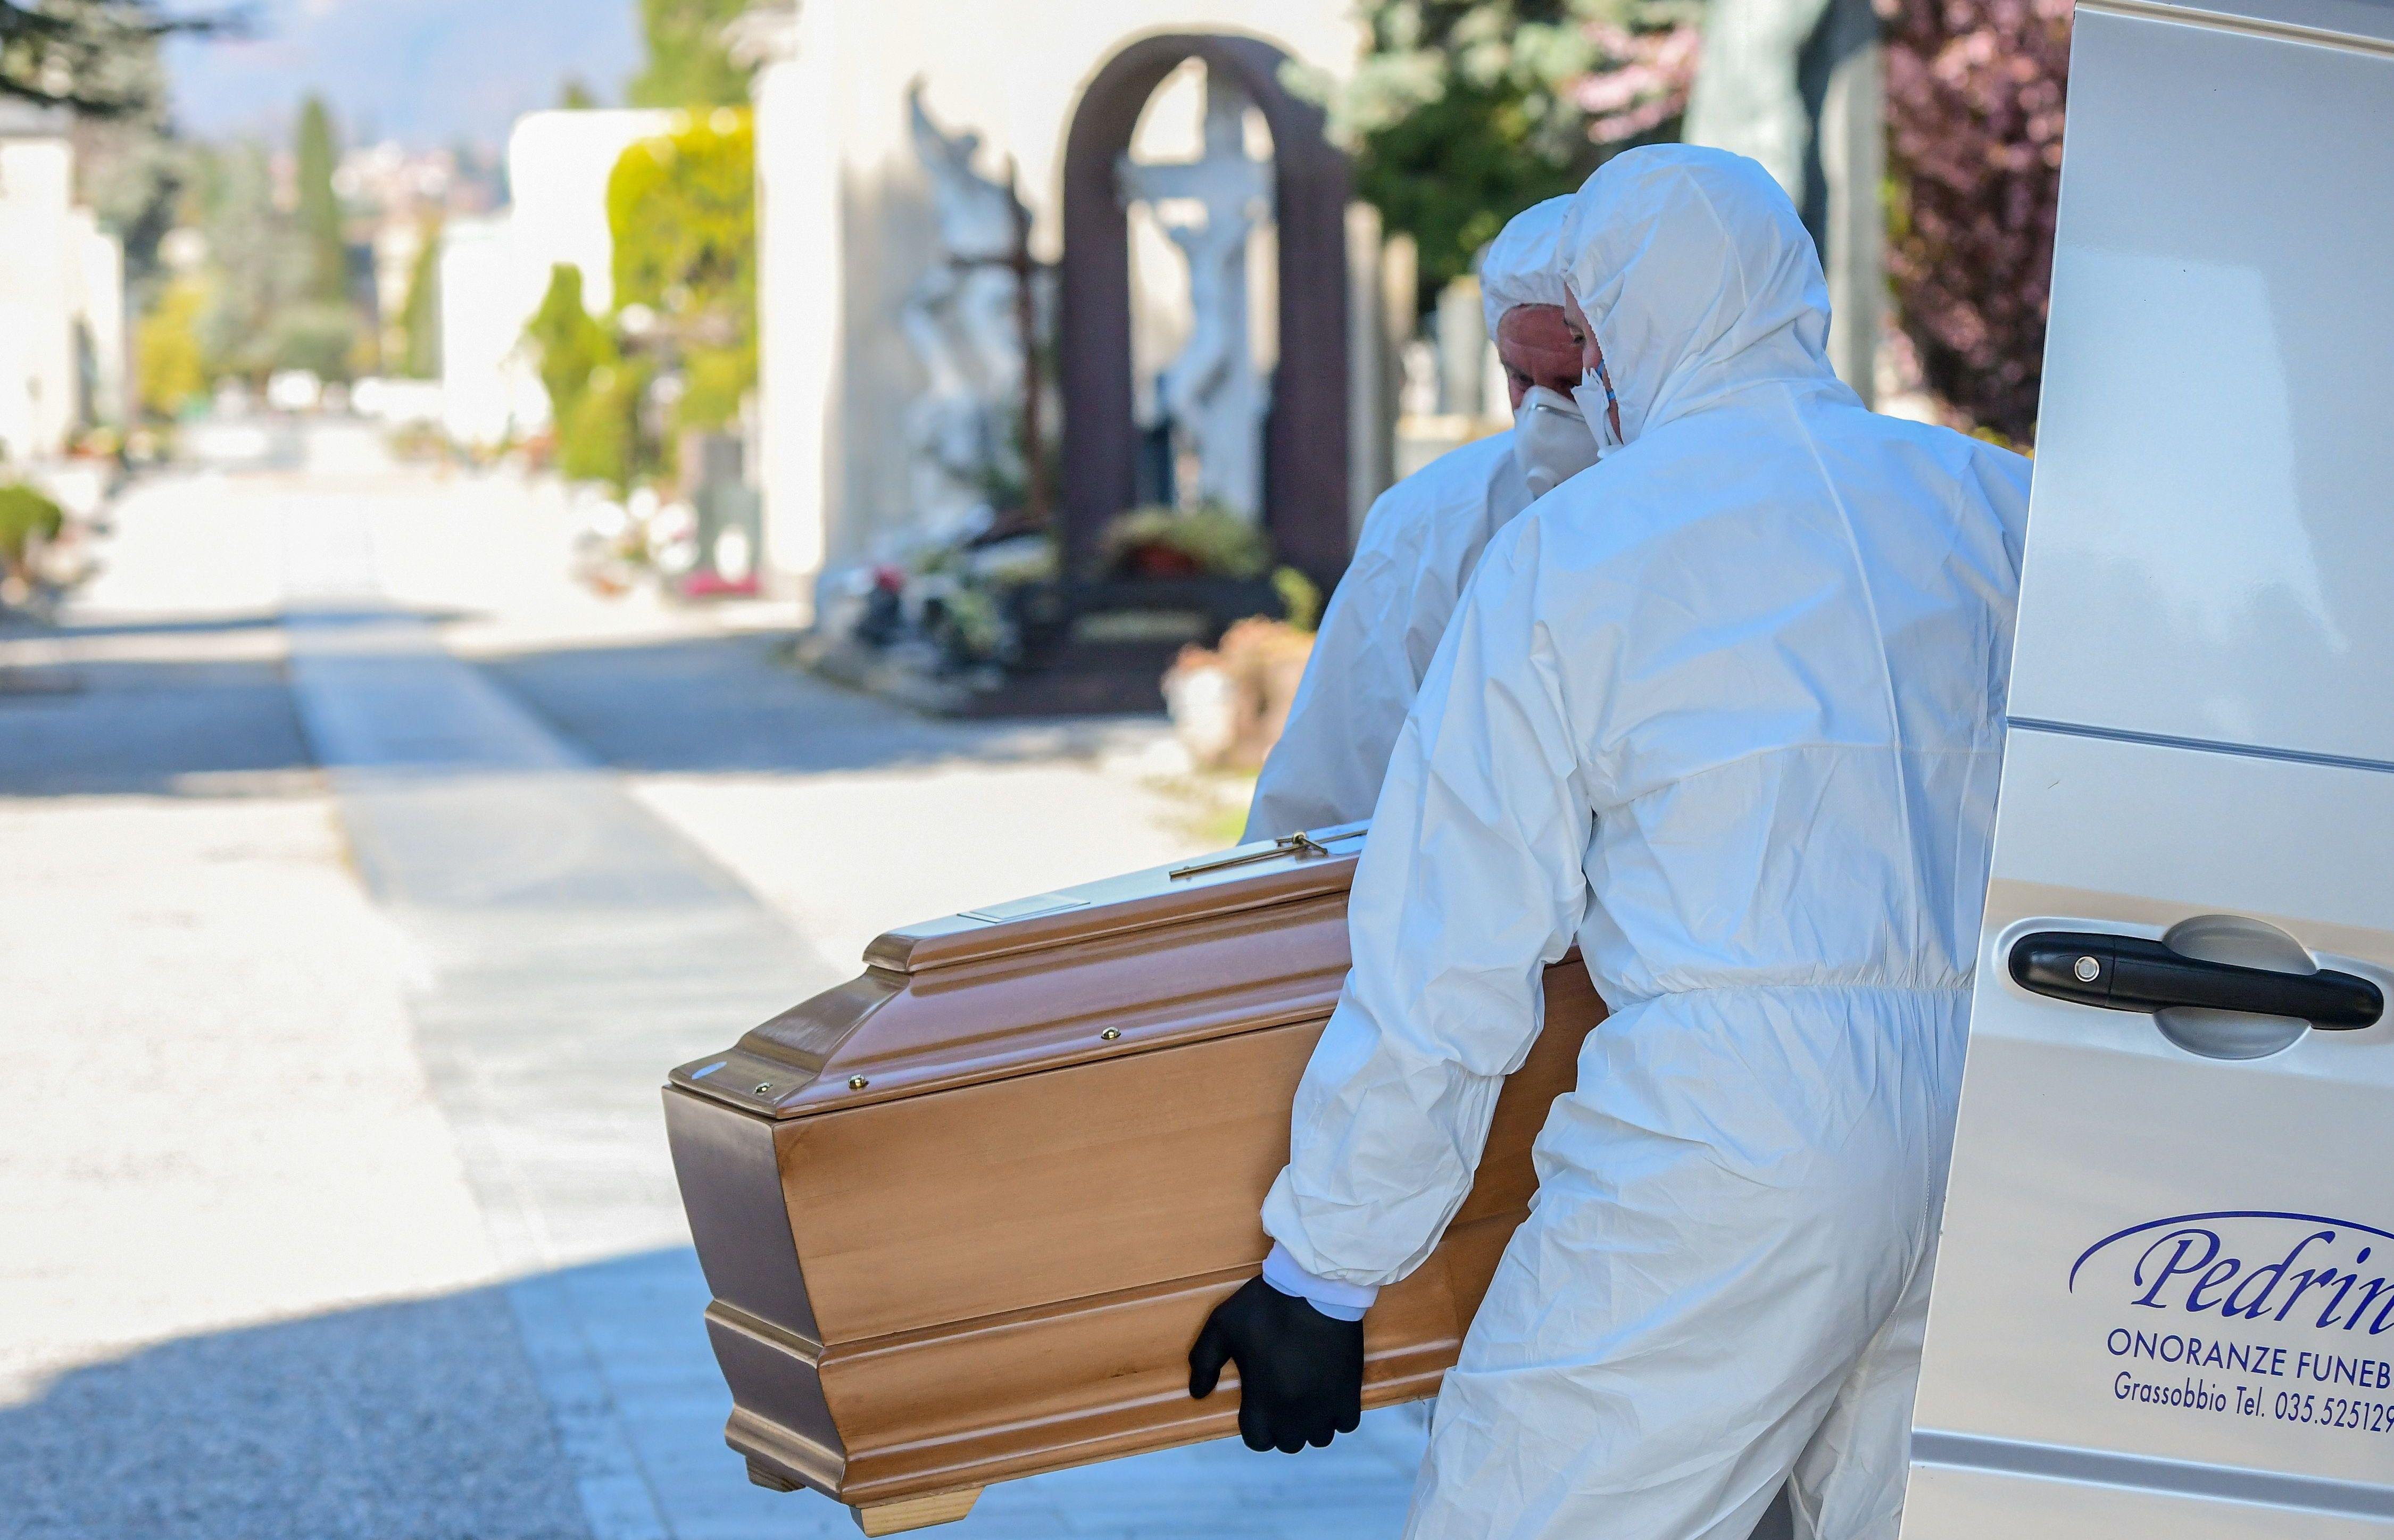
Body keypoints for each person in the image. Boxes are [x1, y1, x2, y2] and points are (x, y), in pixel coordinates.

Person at [1189, 144, 2032, 1540]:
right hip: (1994, 1115)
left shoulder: (1577, 546)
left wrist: (1324, 1267)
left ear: (1621, 316)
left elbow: (1448, 945)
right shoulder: (1985, 506)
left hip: (1729, 1129)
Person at [1240, 196, 1593, 842]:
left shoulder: (1747, 506)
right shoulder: (1434, 520)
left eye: (1574, 383)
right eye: (1521, 379)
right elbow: (1335, 782)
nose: (1545, 415)